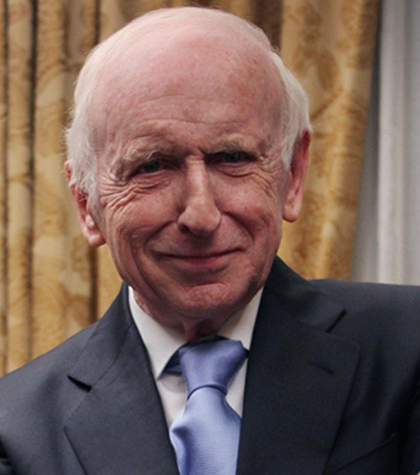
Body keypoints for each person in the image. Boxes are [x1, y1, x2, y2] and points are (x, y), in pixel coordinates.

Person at [0, 6, 419, 475]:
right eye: (152, 166)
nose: (200, 214)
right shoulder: (16, 432)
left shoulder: (408, 349)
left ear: (294, 174)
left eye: (232, 158)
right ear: (85, 203)